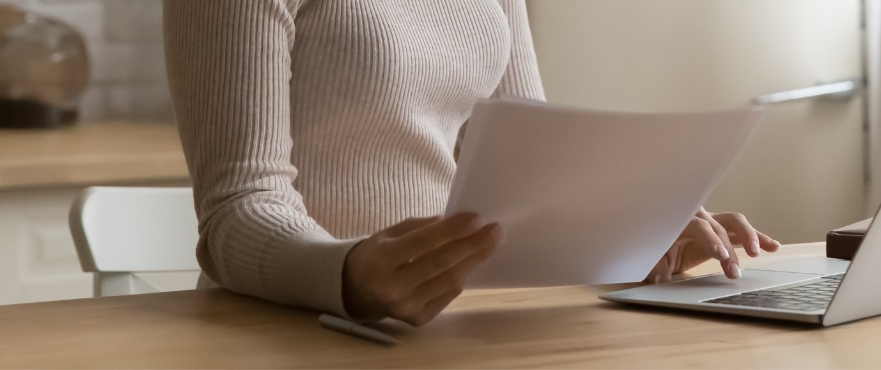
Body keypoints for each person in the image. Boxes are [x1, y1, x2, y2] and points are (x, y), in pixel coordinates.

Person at [163, 0, 780, 326]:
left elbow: (534, 164)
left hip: (445, 327)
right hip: (291, 333)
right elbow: (237, 211)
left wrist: (635, 227)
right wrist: (349, 275)